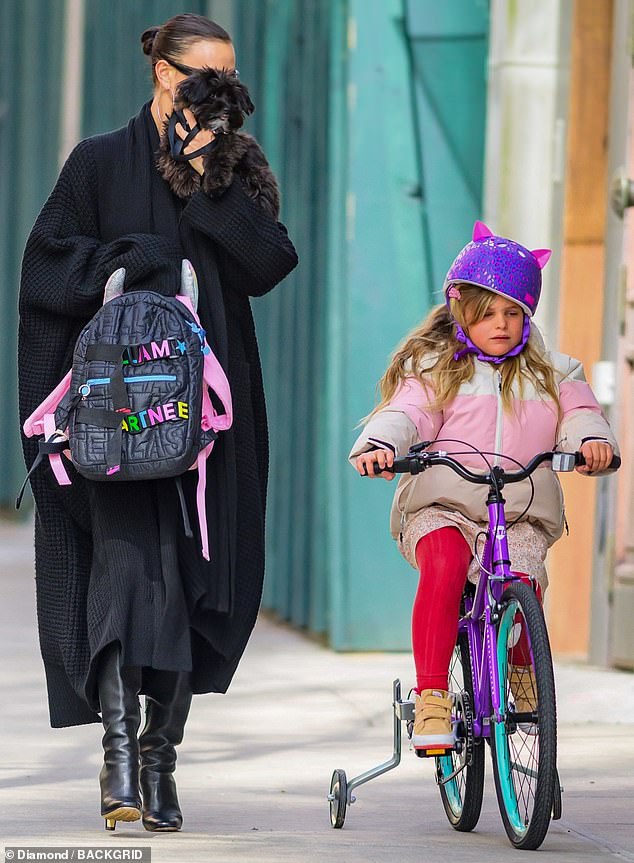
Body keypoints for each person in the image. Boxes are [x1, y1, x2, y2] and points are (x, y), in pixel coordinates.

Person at [18, 13, 297, 831]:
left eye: (227, 78)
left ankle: (161, 755)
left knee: (193, 580)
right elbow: (44, 265)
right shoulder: (99, 161)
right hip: (113, 415)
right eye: (198, 75)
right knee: (124, 571)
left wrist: (213, 180)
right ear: (161, 73)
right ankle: (119, 762)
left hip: (207, 417)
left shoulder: (235, 167)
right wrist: (126, 258)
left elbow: (270, 263)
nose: (212, 93)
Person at [349, 221, 618, 753]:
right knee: (445, 564)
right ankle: (431, 696)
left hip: (516, 509)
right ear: (461, 314)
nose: (501, 323)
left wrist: (592, 442)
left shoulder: (555, 374)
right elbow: (405, 414)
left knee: (522, 580)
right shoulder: (435, 369)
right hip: (442, 504)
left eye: (513, 312)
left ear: (528, 315)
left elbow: (582, 415)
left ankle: (521, 669)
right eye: (487, 313)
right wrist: (380, 445)